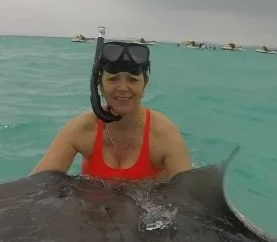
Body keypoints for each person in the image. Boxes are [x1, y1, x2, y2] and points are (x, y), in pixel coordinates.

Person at [32, 31, 192, 182]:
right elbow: (33, 188)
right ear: (99, 85)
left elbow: (191, 200)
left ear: (145, 84)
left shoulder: (165, 134)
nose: (122, 88)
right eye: (113, 79)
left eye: (133, 80)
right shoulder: (82, 128)